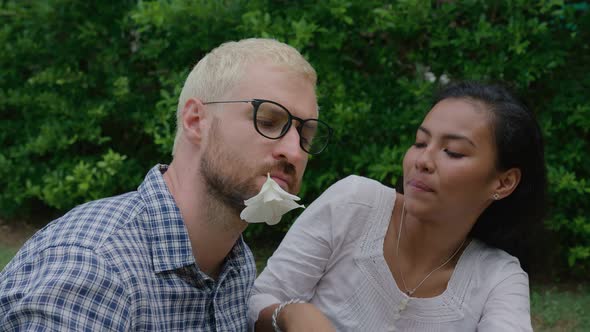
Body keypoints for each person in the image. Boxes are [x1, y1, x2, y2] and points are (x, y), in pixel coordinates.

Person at [0, 38, 333, 331]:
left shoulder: (234, 262)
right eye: (269, 122)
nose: (294, 151)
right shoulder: (94, 269)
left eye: (306, 136)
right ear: (195, 121)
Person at [250, 81, 546, 331]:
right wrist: (288, 314)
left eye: (453, 152)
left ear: (503, 182)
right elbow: (257, 300)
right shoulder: (353, 204)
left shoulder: (499, 279)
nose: (423, 161)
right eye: (420, 143)